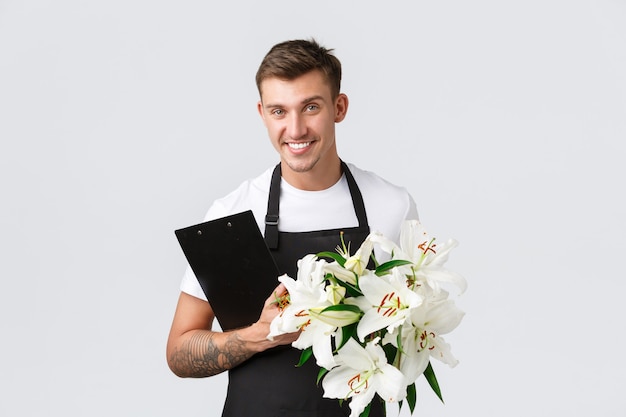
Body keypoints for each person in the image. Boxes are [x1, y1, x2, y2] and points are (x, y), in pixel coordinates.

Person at [166, 38, 419, 417]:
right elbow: (179, 352)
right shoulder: (232, 213)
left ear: (339, 107)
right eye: (279, 111)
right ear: (262, 113)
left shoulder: (392, 206)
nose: (295, 129)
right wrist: (261, 335)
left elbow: (410, 333)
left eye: (311, 107)